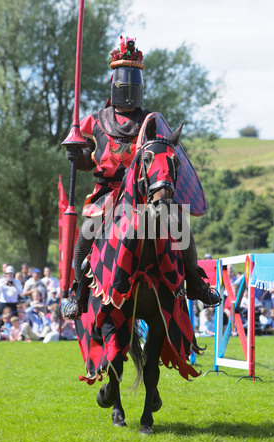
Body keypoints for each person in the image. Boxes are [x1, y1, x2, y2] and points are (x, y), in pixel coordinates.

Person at [65, 35, 220, 317]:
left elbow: (164, 156)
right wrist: (78, 158)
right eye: (125, 81)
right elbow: (90, 162)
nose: (129, 88)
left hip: (145, 191)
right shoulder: (95, 120)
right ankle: (79, 291)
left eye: (134, 82)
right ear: (114, 84)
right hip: (109, 192)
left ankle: (196, 283)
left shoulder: (150, 121)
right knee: (87, 231)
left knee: (179, 224)